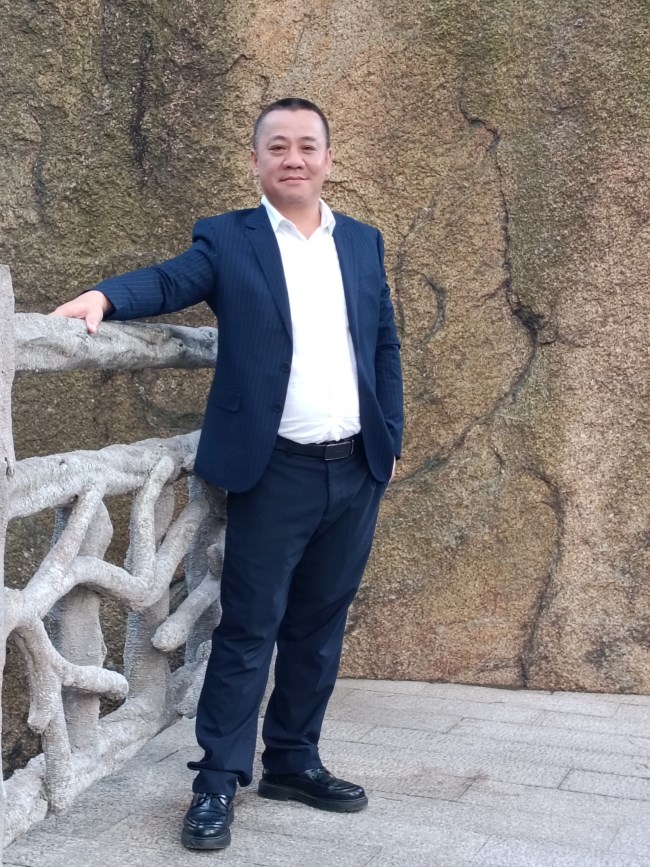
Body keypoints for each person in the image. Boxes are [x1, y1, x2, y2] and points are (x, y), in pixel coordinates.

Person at [51, 97, 403, 850]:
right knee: (248, 628)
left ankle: (294, 762)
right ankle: (216, 781)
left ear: (328, 159)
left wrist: (391, 436)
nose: (293, 158)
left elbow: (382, 344)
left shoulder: (361, 242)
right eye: (277, 146)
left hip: (355, 468)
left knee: (319, 626)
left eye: (307, 145)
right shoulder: (229, 238)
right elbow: (170, 280)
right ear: (256, 160)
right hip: (274, 471)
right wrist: (106, 296)